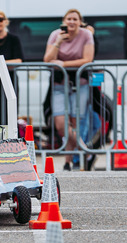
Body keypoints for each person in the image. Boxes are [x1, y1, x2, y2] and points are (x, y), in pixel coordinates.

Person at [43, 9, 94, 171]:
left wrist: (64, 64)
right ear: (64, 21)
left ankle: (68, 161)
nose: (71, 22)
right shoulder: (55, 35)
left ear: (80, 22)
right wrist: (58, 43)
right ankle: (86, 151)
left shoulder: (86, 35)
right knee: (61, 124)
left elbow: (88, 59)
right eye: (68, 19)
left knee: (75, 122)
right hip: (59, 84)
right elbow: (47, 59)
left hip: (81, 83)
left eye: (75, 19)